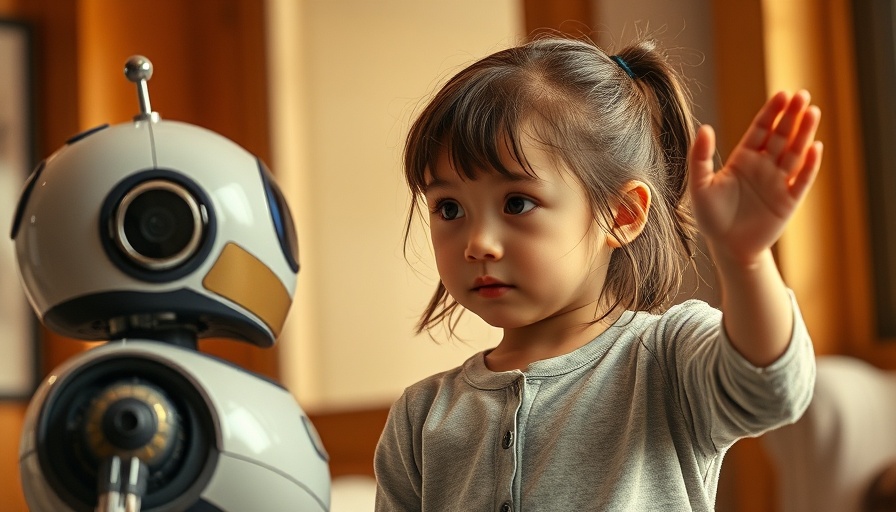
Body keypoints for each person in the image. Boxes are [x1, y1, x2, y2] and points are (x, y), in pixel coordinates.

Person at [374, 35, 821, 511]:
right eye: (449, 208)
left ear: (622, 215)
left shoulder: (666, 358)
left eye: (517, 203)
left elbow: (771, 389)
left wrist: (744, 259)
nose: (478, 243)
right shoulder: (421, 417)